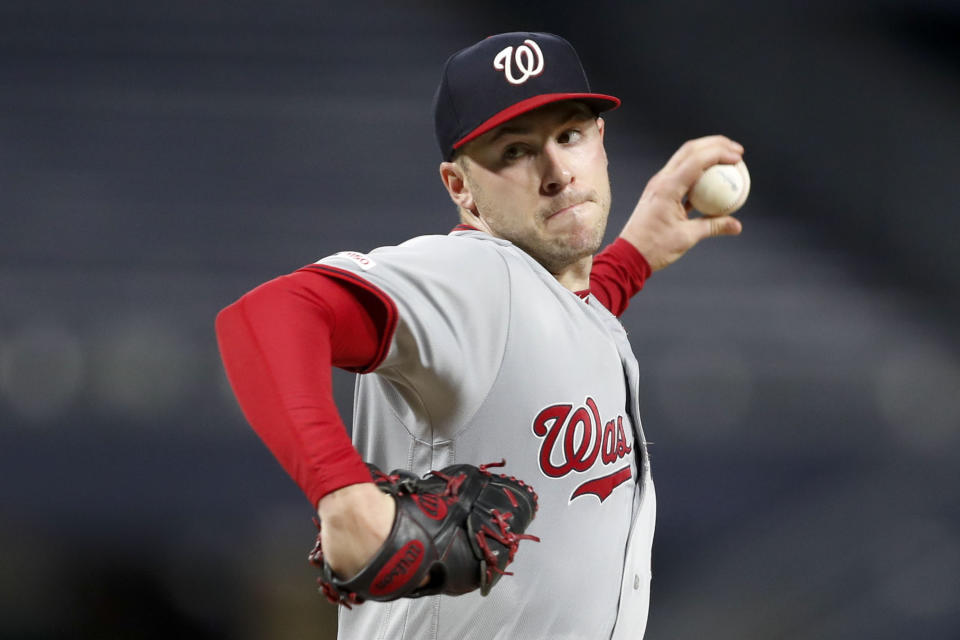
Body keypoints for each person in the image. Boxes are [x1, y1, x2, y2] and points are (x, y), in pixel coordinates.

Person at [216, 31, 743, 640]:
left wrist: (633, 258)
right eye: (515, 151)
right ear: (460, 187)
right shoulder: (474, 275)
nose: (556, 172)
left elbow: (553, 333)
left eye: (569, 135)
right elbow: (266, 317)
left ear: (601, 141)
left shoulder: (541, 300)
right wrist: (343, 495)